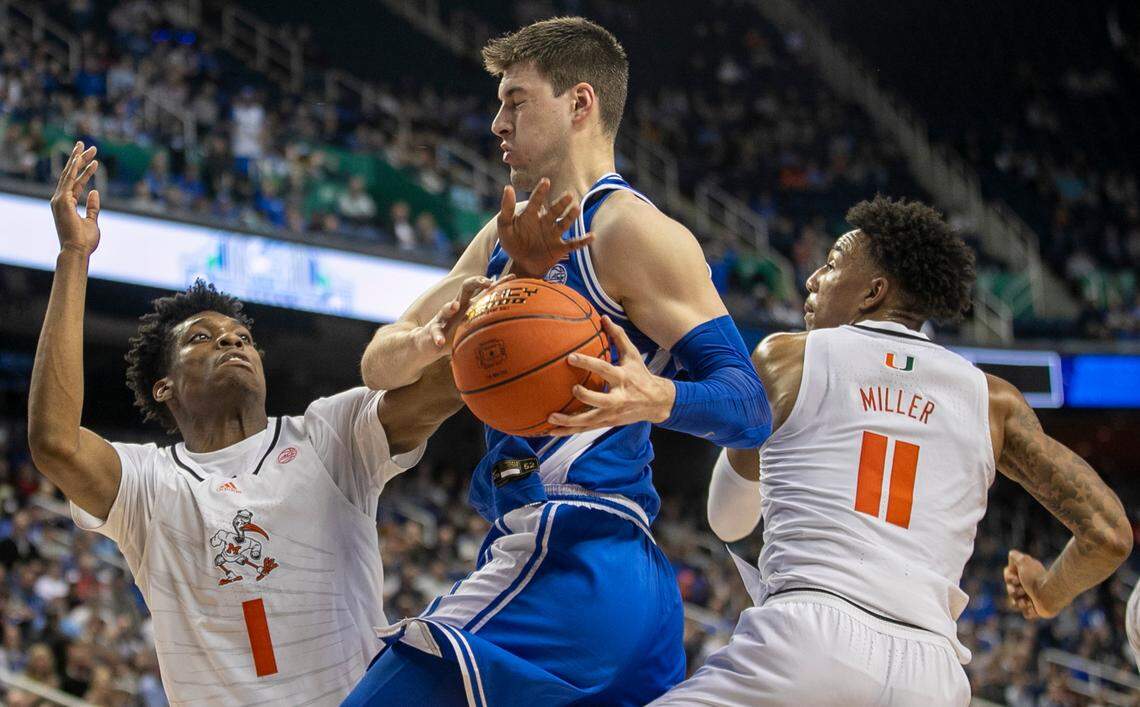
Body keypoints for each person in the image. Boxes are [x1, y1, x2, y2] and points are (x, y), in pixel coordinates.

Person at [347, 16, 771, 706]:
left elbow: (750, 409)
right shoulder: (496, 238)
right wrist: (433, 340)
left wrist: (658, 397)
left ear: (579, 104)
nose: (496, 123)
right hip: (609, 581)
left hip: (568, 549)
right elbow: (376, 363)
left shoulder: (630, 231)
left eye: (515, 101)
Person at [26, 142, 484, 705]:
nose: (231, 340)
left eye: (242, 337)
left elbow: (443, 389)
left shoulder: (329, 436)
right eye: (201, 338)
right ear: (162, 387)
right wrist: (74, 255)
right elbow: (54, 443)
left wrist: (494, 312)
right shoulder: (147, 483)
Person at [652, 196, 1133, 706]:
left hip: (810, 640)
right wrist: (1049, 591)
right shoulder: (994, 402)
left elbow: (727, 522)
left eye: (832, 264)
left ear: (873, 292)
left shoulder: (789, 357)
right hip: (933, 671)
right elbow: (1109, 534)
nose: (813, 279)